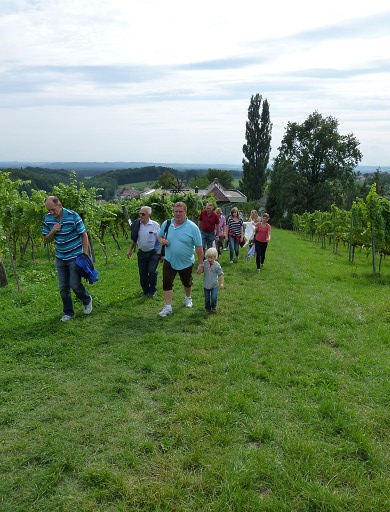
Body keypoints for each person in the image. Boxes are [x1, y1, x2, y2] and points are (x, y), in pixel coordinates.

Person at [42, 196, 93, 322]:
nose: (51, 213)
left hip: (75, 257)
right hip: (60, 257)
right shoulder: (48, 219)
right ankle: (69, 313)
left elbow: (84, 235)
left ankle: (87, 299)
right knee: (63, 288)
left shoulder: (72, 215)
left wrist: (84, 255)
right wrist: (53, 231)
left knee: (75, 285)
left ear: (59, 205)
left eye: (53, 209)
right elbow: (46, 239)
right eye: (48, 210)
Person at [157, 202, 204, 317]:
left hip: (186, 262)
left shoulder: (193, 228)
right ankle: (168, 307)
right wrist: (161, 240)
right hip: (169, 259)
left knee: (187, 283)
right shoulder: (167, 224)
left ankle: (188, 298)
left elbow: (199, 247)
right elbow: (159, 236)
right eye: (175, 211)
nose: (177, 214)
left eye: (180, 211)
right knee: (167, 283)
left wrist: (201, 264)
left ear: (185, 212)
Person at [127, 206, 160, 297]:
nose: (141, 215)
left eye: (143, 214)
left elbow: (160, 239)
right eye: (140, 213)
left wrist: (162, 254)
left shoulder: (155, 225)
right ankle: (146, 291)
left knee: (152, 271)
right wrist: (130, 250)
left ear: (149, 215)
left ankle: (152, 290)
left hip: (153, 253)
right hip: (142, 253)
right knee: (143, 274)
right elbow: (134, 239)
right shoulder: (137, 225)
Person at [200, 247, 224, 313]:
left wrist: (221, 283)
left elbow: (221, 274)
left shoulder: (217, 265)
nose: (209, 259)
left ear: (215, 257)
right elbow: (201, 270)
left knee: (214, 297)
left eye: (211, 258)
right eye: (208, 257)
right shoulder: (205, 263)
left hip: (214, 285)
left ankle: (213, 307)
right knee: (207, 298)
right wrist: (199, 271)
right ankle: (207, 308)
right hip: (206, 284)